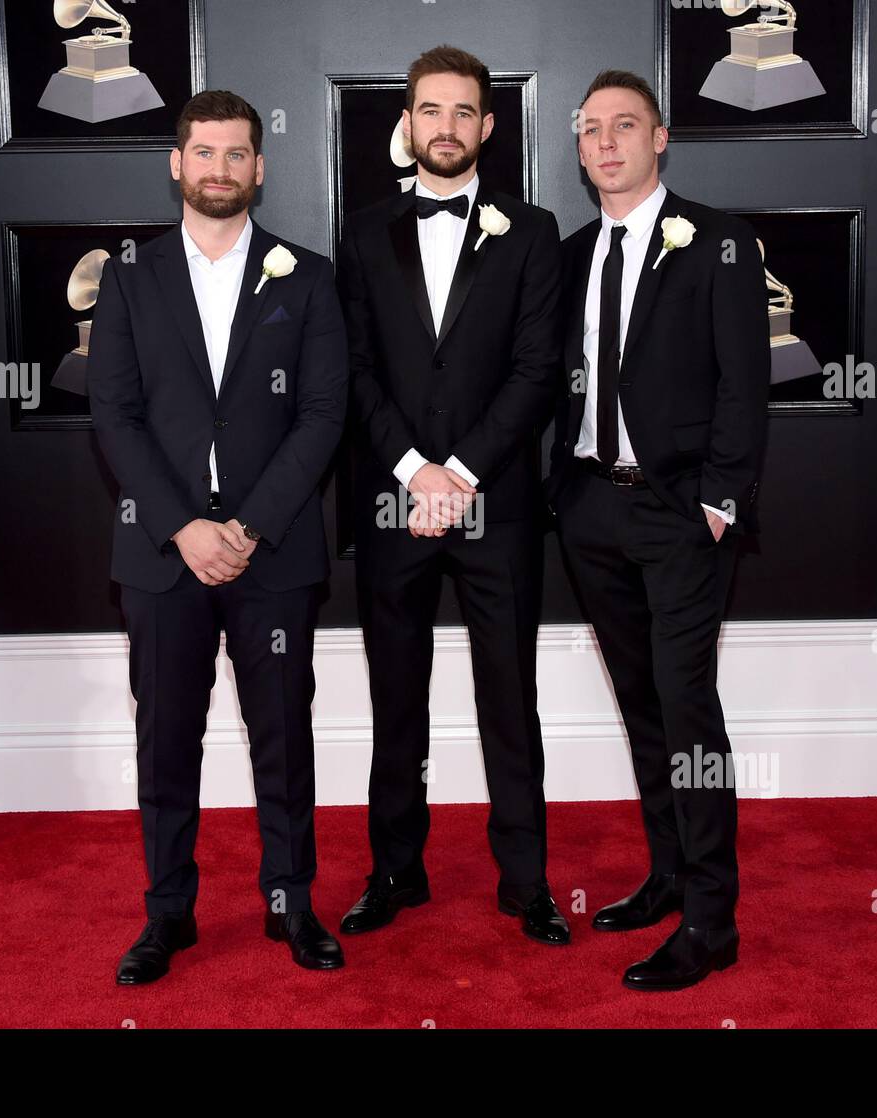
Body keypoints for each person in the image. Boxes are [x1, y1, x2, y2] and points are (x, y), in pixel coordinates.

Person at [87, 90, 349, 983]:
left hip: (271, 553)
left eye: (237, 155)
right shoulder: (128, 277)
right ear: (177, 162)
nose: (220, 171)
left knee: (284, 735)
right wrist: (186, 528)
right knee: (166, 743)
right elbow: (114, 417)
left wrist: (242, 526)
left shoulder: (306, 277)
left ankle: (291, 905)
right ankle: (169, 916)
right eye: (204, 154)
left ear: (261, 168)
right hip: (161, 559)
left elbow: (322, 416)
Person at [336, 45, 568, 945]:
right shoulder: (361, 233)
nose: (447, 127)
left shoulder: (535, 231)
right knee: (397, 699)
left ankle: (527, 882)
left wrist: (460, 473)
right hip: (395, 505)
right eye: (431, 110)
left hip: (496, 503)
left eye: (464, 112)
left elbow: (536, 371)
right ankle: (395, 871)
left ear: (487, 126)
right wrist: (413, 473)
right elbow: (353, 370)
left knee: (511, 698)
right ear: (409, 121)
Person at [548, 70, 770, 990]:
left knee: (688, 716)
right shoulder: (567, 257)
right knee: (642, 707)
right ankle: (668, 876)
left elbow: (744, 385)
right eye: (591, 129)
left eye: (624, 126)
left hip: (681, 517)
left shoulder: (718, 241)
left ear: (661, 137)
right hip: (592, 509)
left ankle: (713, 922)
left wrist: (719, 502)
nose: (606, 143)